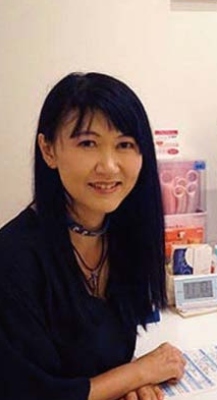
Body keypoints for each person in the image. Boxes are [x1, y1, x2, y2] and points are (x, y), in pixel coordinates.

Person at [0, 72, 186, 400]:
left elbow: (99, 363)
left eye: (124, 144)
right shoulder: (13, 259)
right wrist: (138, 372)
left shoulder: (125, 235)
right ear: (48, 150)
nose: (109, 166)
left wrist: (128, 382)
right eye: (88, 143)